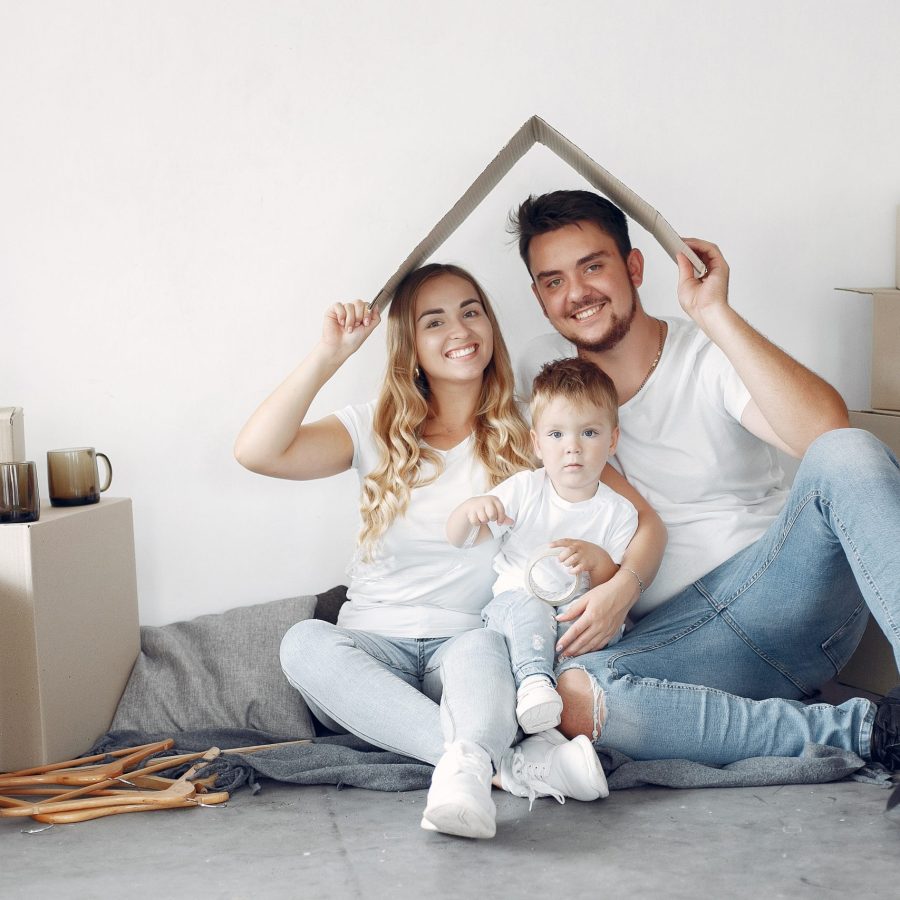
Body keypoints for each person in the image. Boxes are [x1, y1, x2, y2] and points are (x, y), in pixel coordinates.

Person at [234, 262, 665, 839]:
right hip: (373, 646)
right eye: (434, 321)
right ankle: (504, 764)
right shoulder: (374, 427)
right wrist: (330, 354)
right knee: (303, 642)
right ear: (410, 346)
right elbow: (257, 452)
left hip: (466, 647)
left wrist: (620, 584)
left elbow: (646, 524)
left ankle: (473, 763)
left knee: (485, 646)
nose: (459, 330)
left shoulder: (535, 430)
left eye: (471, 311)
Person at [509, 189, 900, 803]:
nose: (577, 292)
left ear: (634, 269)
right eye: (553, 280)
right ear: (539, 297)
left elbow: (826, 433)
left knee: (847, 453)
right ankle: (872, 733)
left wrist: (714, 312)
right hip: (681, 644)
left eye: (592, 266)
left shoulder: (703, 354)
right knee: (573, 696)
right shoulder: (545, 373)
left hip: (780, 596)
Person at [447, 356, 640, 738]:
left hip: (570, 617)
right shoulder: (524, 490)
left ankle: (558, 692)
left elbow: (614, 586)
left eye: (588, 433)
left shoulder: (620, 512)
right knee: (531, 608)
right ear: (536, 443)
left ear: (612, 439)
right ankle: (535, 684)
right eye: (557, 435)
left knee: (598, 622)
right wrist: (471, 511)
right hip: (516, 606)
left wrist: (598, 563)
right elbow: (459, 538)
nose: (572, 448)